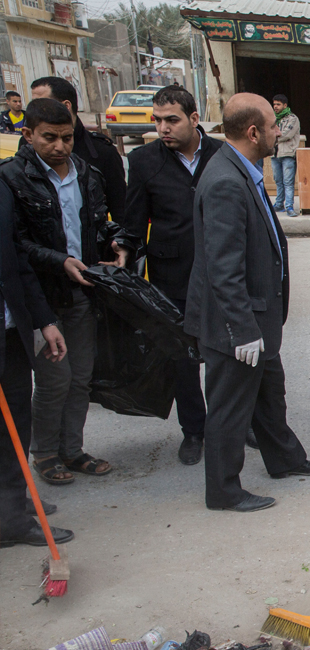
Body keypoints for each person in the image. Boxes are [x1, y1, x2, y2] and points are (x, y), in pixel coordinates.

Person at [186, 93, 310, 512]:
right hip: (237, 325)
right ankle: (224, 491)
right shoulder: (226, 182)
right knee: (230, 409)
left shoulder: (240, 169)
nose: (278, 133)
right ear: (253, 132)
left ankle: (285, 459)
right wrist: (242, 330)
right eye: (272, 127)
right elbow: (223, 268)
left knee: (270, 395)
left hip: (257, 317)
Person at [0, 98, 135, 487]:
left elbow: (98, 222)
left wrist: (118, 241)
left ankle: (72, 449)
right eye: (50, 138)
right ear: (28, 135)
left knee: (80, 378)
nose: (59, 146)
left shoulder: (86, 172)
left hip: (82, 293)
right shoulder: (11, 178)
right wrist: (60, 261)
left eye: (67, 137)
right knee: (54, 380)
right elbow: (16, 247)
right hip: (39, 300)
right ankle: (44, 453)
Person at [125, 85, 224, 466]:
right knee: (182, 359)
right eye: (158, 120)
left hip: (221, 273)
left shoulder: (222, 154)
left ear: (194, 119)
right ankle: (194, 430)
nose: (163, 128)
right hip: (171, 277)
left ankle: (231, 422)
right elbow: (134, 223)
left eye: (172, 120)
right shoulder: (144, 161)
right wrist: (123, 255)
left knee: (227, 355)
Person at [0, 178, 72, 548]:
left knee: (14, 422)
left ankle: (11, 507)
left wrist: (44, 320)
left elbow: (16, 258)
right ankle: (9, 519)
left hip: (11, 331)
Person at [29, 77, 126, 224]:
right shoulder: (28, 147)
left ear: (66, 106)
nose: (59, 148)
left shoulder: (101, 152)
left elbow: (120, 210)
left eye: (42, 104)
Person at [270, 94, 299, 217]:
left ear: (285, 105)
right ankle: (279, 204)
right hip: (275, 154)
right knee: (278, 181)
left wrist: (272, 137)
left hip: (288, 154)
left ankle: (289, 206)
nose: (275, 107)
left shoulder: (293, 119)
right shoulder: (272, 119)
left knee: (288, 182)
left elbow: (286, 134)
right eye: (274, 104)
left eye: (278, 104)